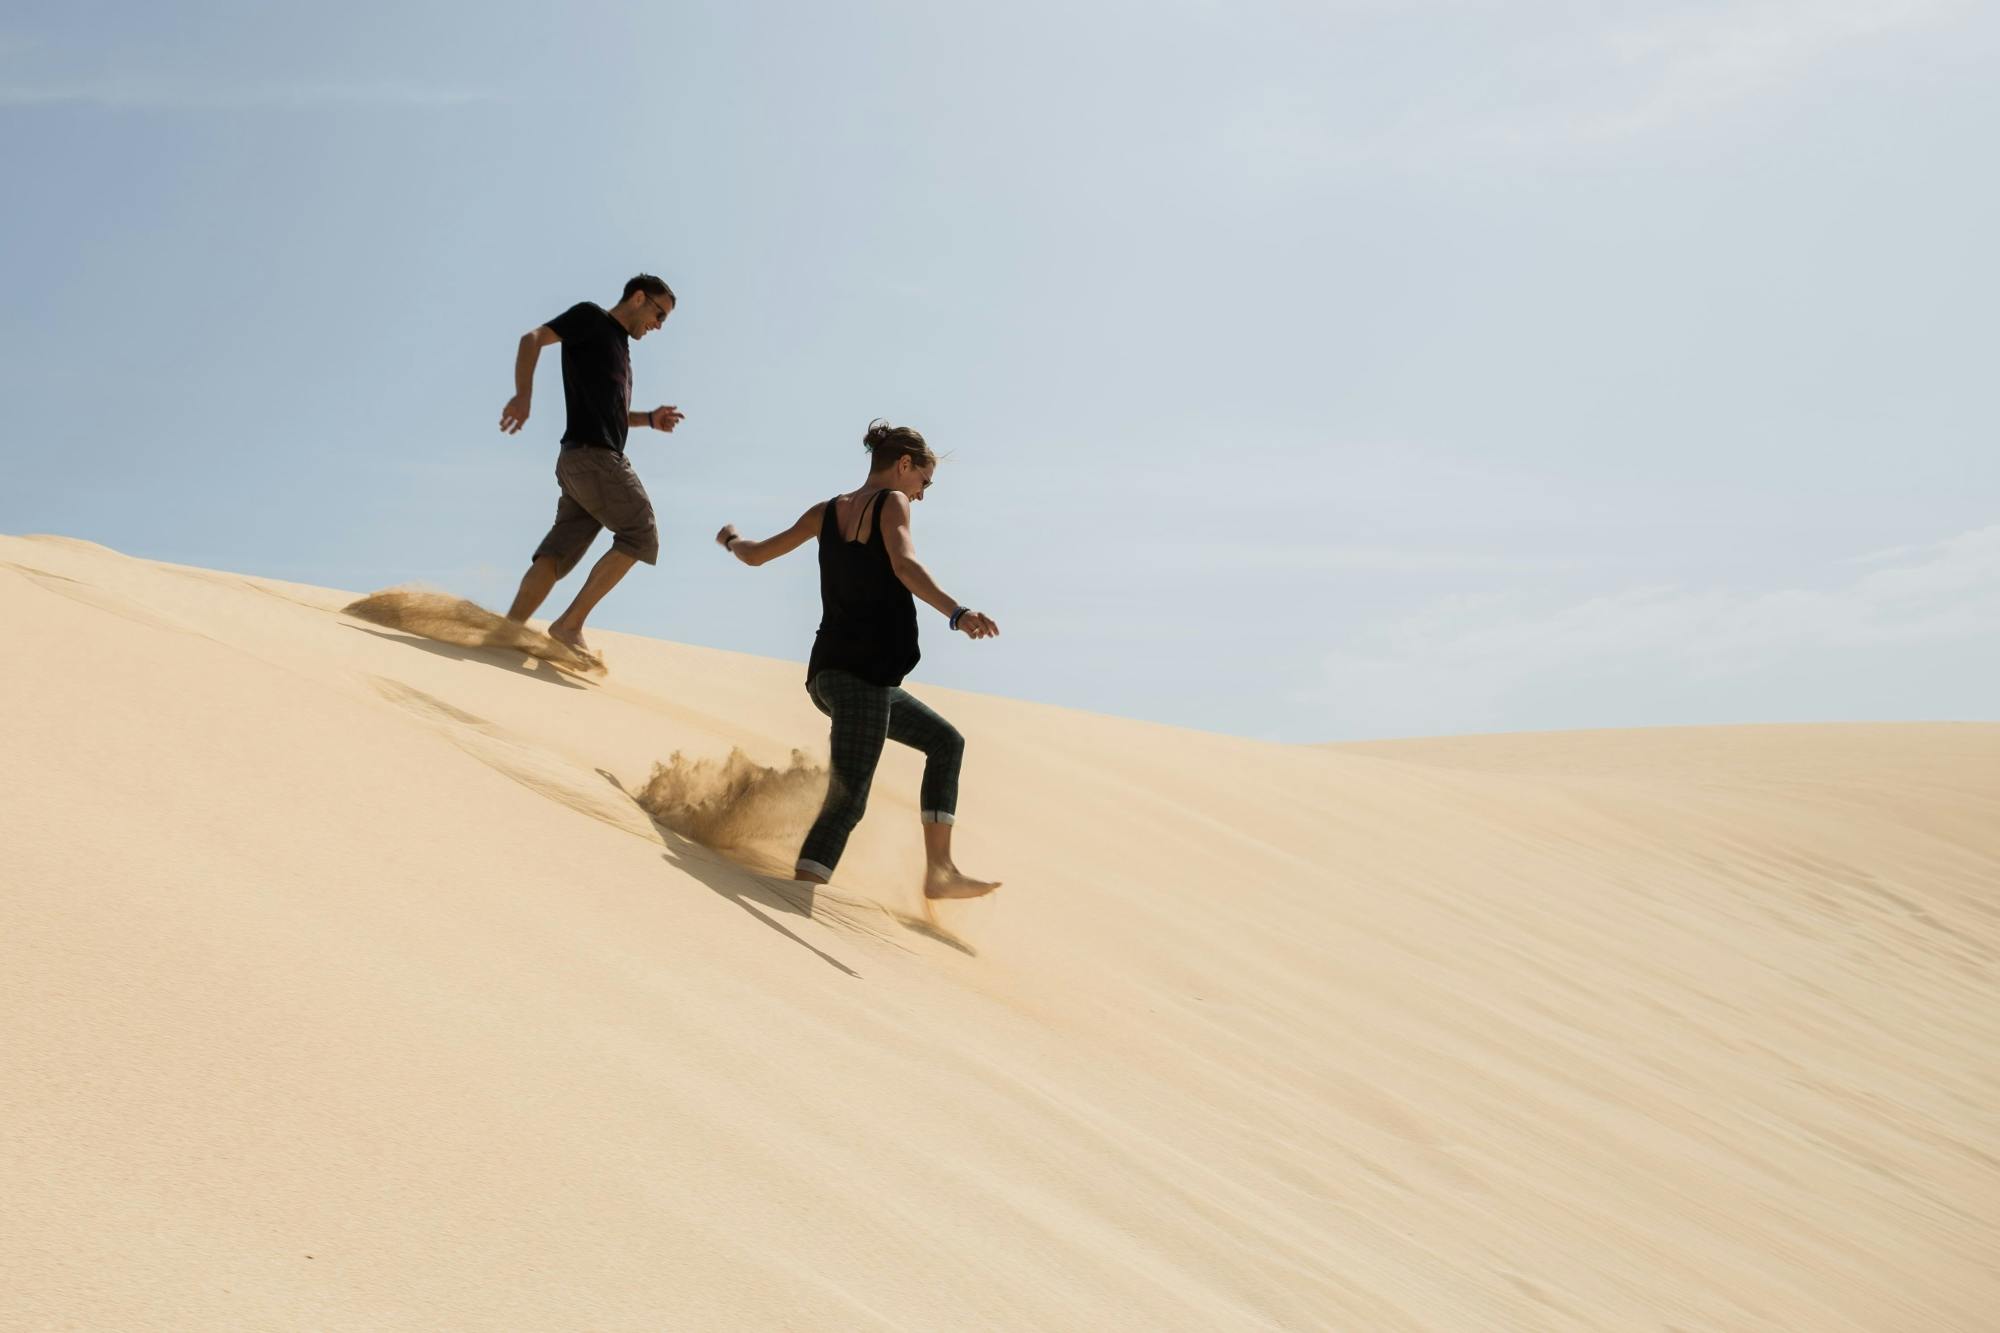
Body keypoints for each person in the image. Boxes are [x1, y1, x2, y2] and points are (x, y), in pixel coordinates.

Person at [715, 421, 1001, 900]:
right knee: (848, 800)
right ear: (904, 465)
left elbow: (757, 555)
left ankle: (940, 870)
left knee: (945, 741)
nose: (922, 495)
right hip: (863, 674)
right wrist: (957, 612)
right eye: (924, 482)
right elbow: (905, 564)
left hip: (832, 673)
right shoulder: (893, 503)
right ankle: (799, 894)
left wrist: (730, 540)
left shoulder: (824, 512)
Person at [499, 274, 685, 655]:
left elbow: (610, 413)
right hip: (596, 459)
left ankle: (505, 632)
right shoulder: (592, 318)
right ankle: (569, 626)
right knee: (641, 533)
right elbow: (531, 339)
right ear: (638, 298)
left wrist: (648, 418)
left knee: (558, 551)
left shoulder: (620, 348)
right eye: (659, 314)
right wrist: (523, 396)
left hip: (577, 462)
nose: (659, 325)